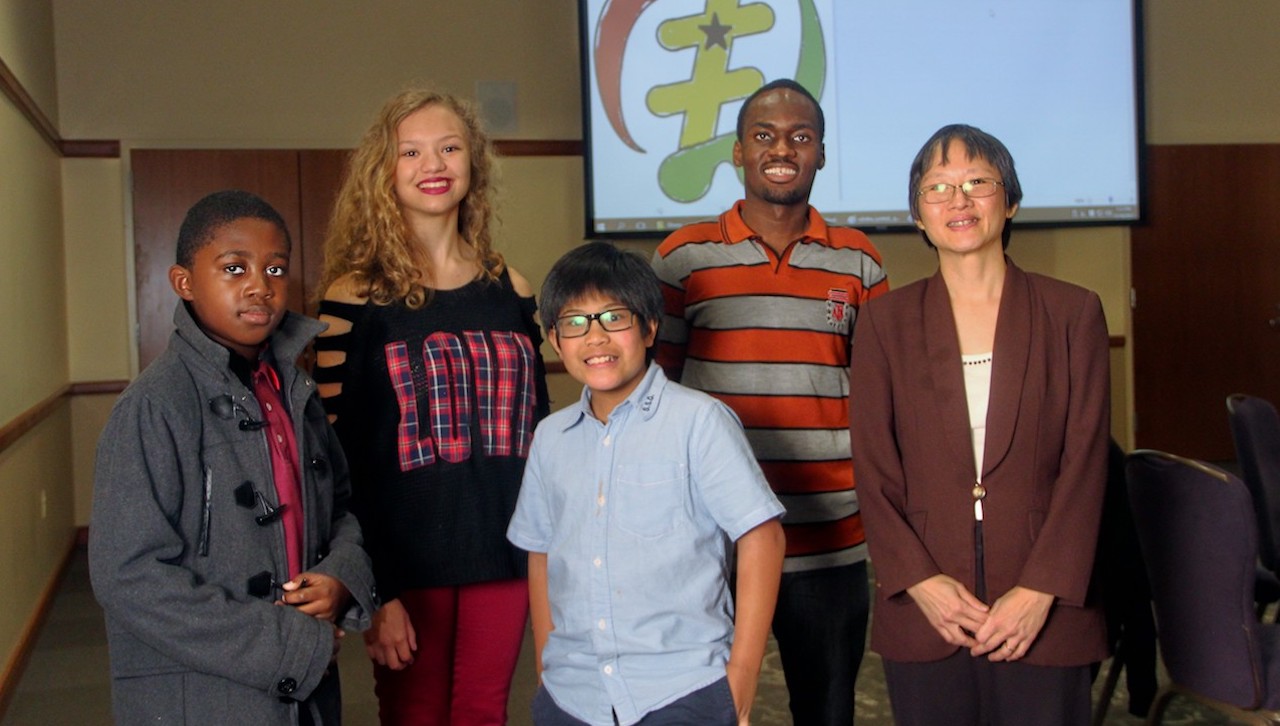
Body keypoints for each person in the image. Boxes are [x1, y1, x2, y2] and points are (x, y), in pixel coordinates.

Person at [848, 124, 1110, 725]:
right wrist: (918, 581)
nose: (958, 200)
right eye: (937, 188)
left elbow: (1087, 462)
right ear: (918, 215)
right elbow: (874, 469)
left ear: (1010, 200)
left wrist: (1042, 587)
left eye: (977, 182)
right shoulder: (885, 323)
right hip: (927, 607)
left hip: (1045, 604)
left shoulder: (1073, 312)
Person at [89, 189, 377, 725]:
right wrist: (286, 643)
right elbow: (127, 575)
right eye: (234, 267)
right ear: (184, 283)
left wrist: (340, 577)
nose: (258, 286)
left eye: (274, 268)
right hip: (202, 693)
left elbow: (341, 509)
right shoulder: (153, 407)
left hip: (303, 691)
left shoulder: (296, 391)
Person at [650, 78, 888, 724]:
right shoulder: (682, 257)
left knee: (829, 711)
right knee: (711, 711)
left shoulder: (859, 261)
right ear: (737, 153)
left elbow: (879, 397)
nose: (782, 149)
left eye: (801, 137)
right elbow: (656, 397)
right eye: (765, 136)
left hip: (829, 540)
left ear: (822, 155)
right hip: (713, 540)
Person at [314, 88, 549, 725]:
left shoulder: (513, 288)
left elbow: (543, 441)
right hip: (404, 562)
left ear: (473, 162)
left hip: (504, 550)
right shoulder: (353, 297)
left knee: (483, 712)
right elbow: (337, 461)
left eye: (449, 147)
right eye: (410, 151)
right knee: (414, 715)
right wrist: (376, 589)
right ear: (383, 172)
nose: (433, 163)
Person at [507, 241, 786, 726]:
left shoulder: (699, 422)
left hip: (682, 689)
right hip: (573, 695)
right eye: (575, 323)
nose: (595, 339)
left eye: (614, 318)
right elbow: (541, 551)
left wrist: (740, 678)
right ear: (555, 340)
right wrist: (547, 667)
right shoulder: (550, 438)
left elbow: (762, 536)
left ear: (649, 326)